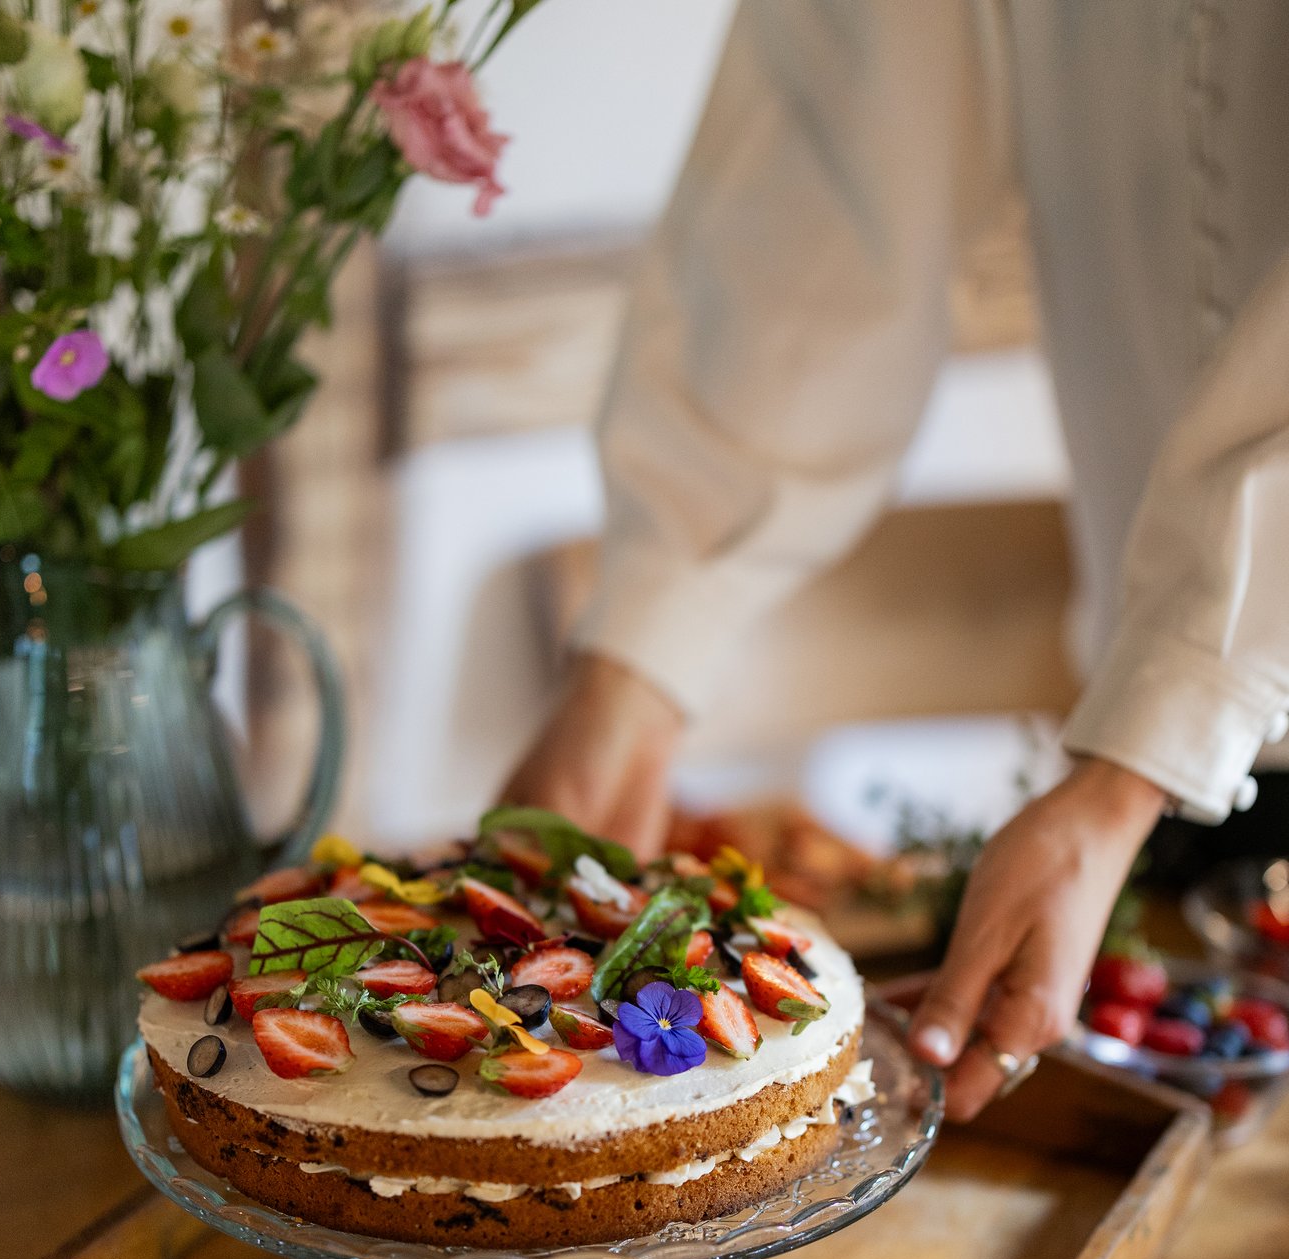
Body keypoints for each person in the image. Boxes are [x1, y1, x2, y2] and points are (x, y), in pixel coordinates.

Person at [503, 0, 1289, 1118]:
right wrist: (637, 662)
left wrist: (1129, 773)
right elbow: (823, 157)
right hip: (1164, 819)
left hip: (1133, 788)